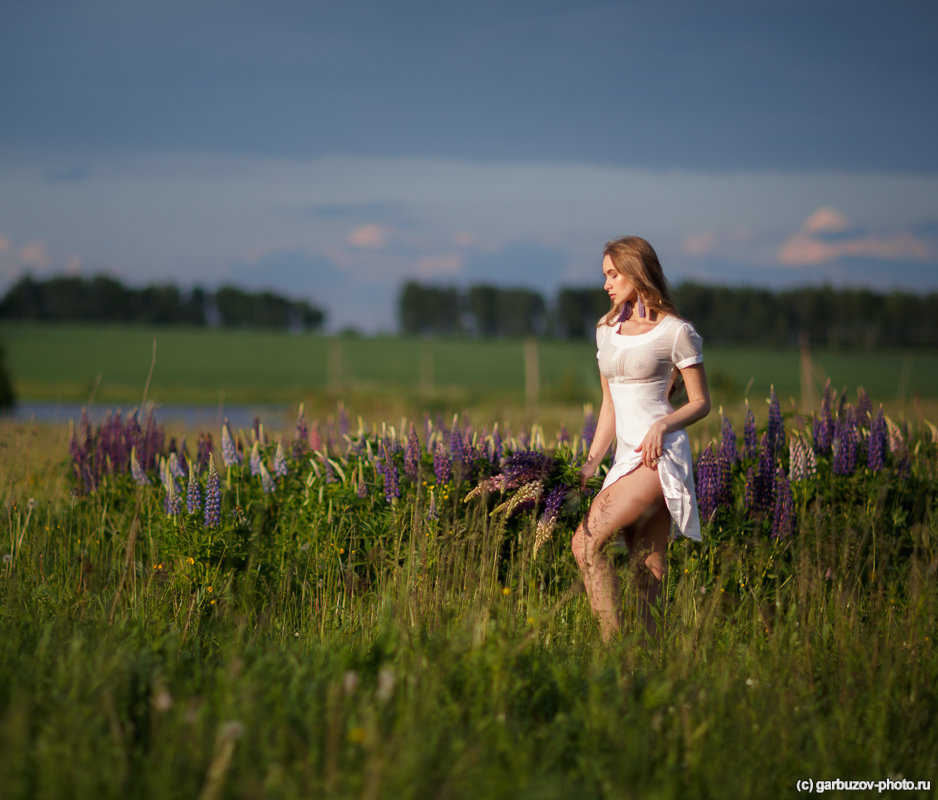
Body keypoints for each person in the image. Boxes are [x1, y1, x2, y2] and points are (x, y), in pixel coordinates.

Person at [572, 236, 710, 642]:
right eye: (605, 275)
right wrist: (592, 461)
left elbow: (701, 402)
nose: (606, 284)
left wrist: (663, 426)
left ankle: (612, 651)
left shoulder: (677, 332)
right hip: (623, 457)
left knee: (585, 544)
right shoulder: (605, 330)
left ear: (636, 272)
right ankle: (648, 662)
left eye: (613, 274)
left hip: (658, 456)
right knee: (647, 569)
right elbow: (609, 405)